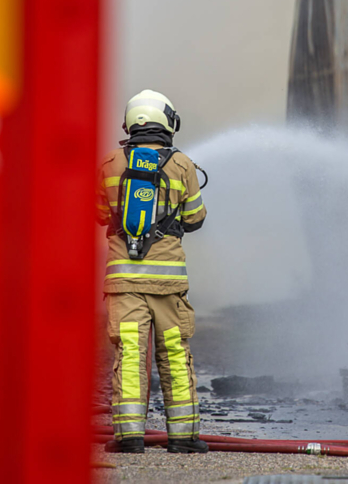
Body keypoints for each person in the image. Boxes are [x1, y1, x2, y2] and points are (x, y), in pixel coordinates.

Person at [96, 90, 208, 454]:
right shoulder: (182, 165)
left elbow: (98, 214)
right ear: (167, 122)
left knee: (129, 353)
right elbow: (195, 218)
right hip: (169, 284)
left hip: (124, 282)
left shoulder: (110, 163)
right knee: (175, 352)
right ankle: (183, 436)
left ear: (130, 122)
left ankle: (129, 434)